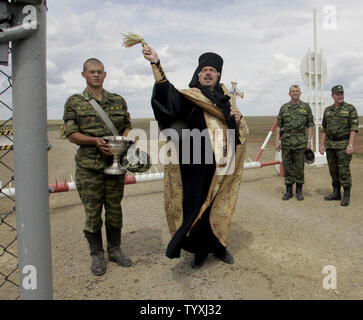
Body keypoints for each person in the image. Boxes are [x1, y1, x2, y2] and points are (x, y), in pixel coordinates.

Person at [142, 45, 249, 269]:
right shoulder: (188, 98)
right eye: (204, 70)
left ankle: (218, 246)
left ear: (219, 75)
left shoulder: (227, 101)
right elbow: (166, 103)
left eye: (213, 70)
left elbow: (239, 134)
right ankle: (199, 251)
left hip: (221, 164)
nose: (208, 73)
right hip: (195, 162)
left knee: (218, 205)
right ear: (198, 74)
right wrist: (156, 64)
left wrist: (236, 122)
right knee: (196, 205)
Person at [63, 58, 133, 276]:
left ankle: (115, 249)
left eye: (99, 72)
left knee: (114, 209)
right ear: (83, 74)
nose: (96, 75)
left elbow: (127, 126)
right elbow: (71, 134)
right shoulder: (75, 102)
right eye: (91, 72)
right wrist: (95, 142)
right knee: (93, 212)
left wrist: (121, 143)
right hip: (89, 167)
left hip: (115, 166)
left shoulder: (117, 100)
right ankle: (97, 254)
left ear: (105, 75)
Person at [319, 85, 359, 206]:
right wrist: (322, 144)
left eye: (342, 93)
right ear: (332, 96)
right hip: (330, 145)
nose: (340, 96)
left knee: (344, 170)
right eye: (338, 94)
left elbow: (353, 128)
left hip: (343, 145)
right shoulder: (327, 110)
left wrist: (350, 144)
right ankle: (336, 192)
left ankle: (346, 194)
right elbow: (324, 128)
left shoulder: (350, 109)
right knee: (333, 170)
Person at [275, 85, 313, 201]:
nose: (295, 93)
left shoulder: (305, 107)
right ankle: (289, 191)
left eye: (297, 91)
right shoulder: (284, 108)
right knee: (287, 166)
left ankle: (299, 191)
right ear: (289, 94)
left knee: (299, 167)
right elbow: (279, 126)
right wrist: (277, 141)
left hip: (301, 141)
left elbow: (310, 125)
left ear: (300, 93)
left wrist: (309, 142)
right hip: (286, 141)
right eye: (293, 91)